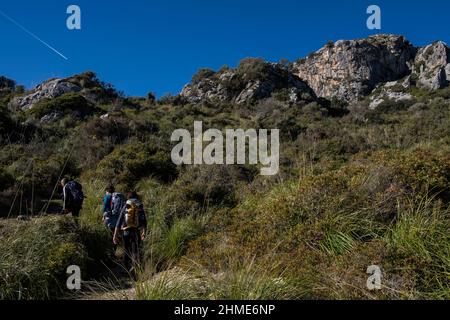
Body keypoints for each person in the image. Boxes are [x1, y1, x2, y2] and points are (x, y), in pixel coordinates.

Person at [113, 191, 147, 273]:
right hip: (135, 231)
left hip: (126, 231)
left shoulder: (126, 206)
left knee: (126, 250)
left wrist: (115, 235)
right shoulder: (139, 205)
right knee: (135, 250)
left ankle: (125, 270)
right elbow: (143, 220)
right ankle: (135, 269)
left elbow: (119, 221)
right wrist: (144, 232)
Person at [102, 186, 124, 254]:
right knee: (115, 235)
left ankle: (110, 252)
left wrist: (104, 215)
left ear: (107, 191)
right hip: (118, 221)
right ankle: (113, 251)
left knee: (110, 236)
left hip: (111, 220)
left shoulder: (110, 197)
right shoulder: (120, 197)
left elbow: (107, 208)